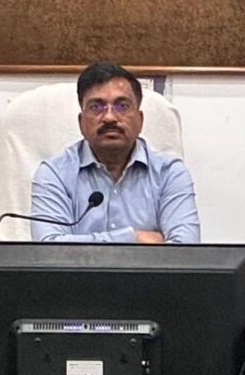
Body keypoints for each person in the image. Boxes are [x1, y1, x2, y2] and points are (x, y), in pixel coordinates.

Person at [29, 61, 200, 243]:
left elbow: (186, 248)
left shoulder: (169, 173)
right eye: (96, 107)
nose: (109, 117)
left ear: (140, 120)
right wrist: (133, 237)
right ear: (81, 122)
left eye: (122, 106)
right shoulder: (54, 174)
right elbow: (49, 248)